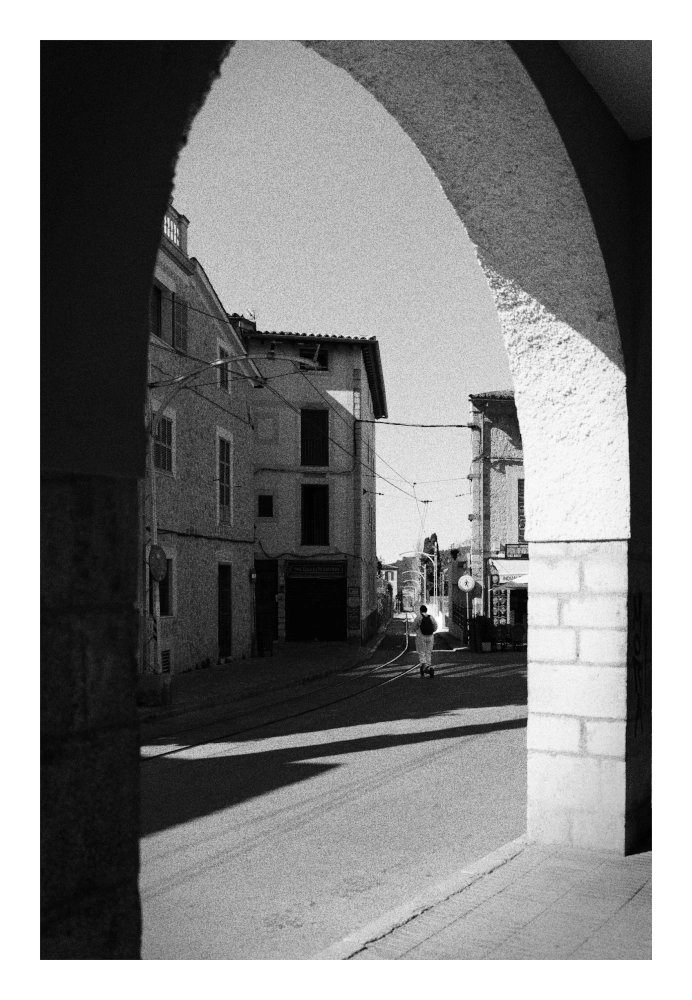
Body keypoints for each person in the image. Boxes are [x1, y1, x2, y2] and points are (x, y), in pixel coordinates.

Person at [412, 604, 437, 677]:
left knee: (422, 652)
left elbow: (414, 627)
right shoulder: (431, 617)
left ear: (420, 611)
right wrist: (431, 631)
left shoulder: (419, 617)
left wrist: (415, 631)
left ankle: (424, 666)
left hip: (421, 636)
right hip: (430, 636)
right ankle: (428, 665)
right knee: (428, 652)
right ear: (426, 610)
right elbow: (435, 626)